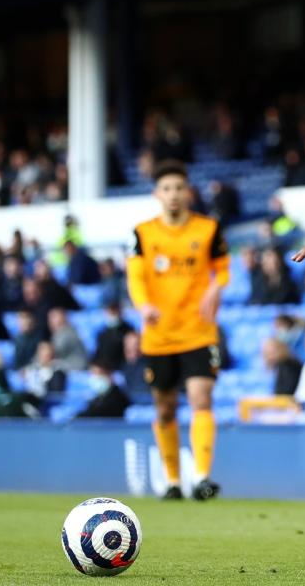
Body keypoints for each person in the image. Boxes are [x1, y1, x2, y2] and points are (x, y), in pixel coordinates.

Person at [127, 159, 230, 501]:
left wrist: (217, 287)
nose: (173, 195)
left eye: (179, 188)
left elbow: (223, 269)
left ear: (188, 193)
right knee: (165, 408)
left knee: (202, 398)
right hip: (158, 336)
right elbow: (135, 277)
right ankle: (172, 481)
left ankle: (202, 477)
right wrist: (143, 306)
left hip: (198, 332)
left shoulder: (208, 229)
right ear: (158, 193)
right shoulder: (143, 233)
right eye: (167, 188)